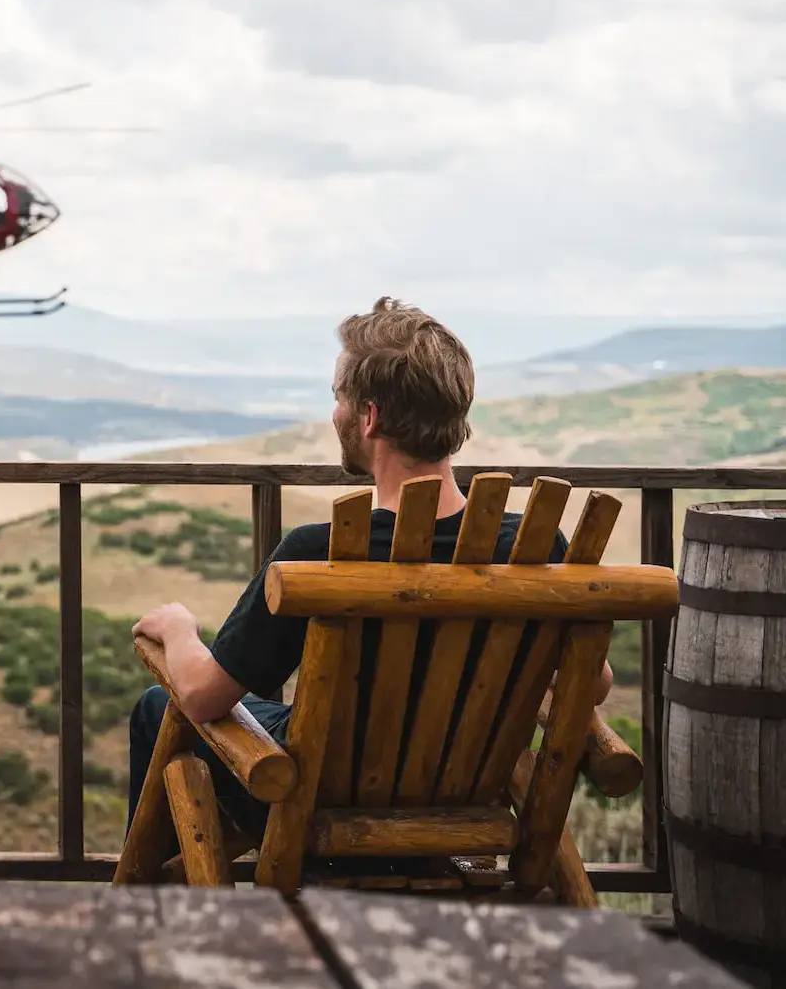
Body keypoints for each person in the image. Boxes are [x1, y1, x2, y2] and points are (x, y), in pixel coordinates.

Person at [126, 298, 613, 841]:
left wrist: (178, 629)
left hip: (318, 805)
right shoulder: (535, 544)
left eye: (338, 397)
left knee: (156, 707)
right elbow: (594, 685)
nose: (334, 412)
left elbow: (203, 696)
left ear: (370, 416)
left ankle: (168, 910)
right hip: (467, 798)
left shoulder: (318, 551)